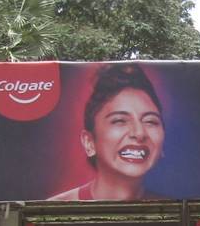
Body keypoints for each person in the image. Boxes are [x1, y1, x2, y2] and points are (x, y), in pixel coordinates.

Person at [51, 62, 165, 201]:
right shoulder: (56, 208)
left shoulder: (174, 211)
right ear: (89, 142)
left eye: (150, 121)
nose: (139, 133)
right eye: (120, 121)